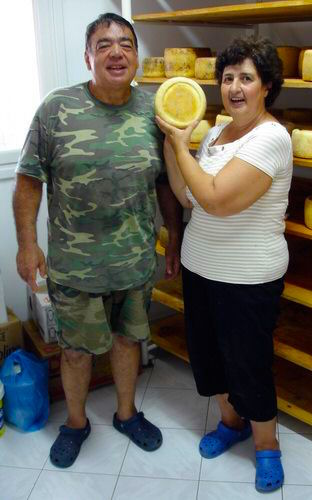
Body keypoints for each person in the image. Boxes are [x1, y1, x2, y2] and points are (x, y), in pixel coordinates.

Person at [13, 13, 182, 468]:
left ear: (137, 57)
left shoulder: (155, 112)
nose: (116, 52)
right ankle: (75, 423)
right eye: (104, 45)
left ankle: (127, 414)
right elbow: (28, 181)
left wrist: (176, 238)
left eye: (126, 44)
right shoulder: (56, 109)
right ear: (88, 56)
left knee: (129, 342)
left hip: (134, 258)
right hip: (74, 264)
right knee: (75, 350)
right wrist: (27, 245)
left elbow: (166, 182)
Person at [156, 36, 292, 493]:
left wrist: (179, 147)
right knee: (210, 356)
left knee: (248, 364)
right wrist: (173, 144)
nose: (235, 87)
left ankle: (267, 447)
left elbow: (215, 200)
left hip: (248, 277)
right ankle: (230, 423)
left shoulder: (271, 138)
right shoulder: (215, 133)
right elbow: (188, 194)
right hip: (201, 267)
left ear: (267, 86)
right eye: (228, 78)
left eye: (247, 78)